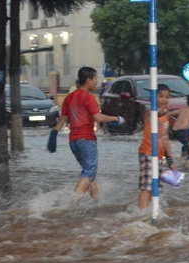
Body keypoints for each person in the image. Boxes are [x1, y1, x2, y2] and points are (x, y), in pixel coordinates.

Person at [47, 67, 124, 198]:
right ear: (88, 80)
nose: (97, 82)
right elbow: (98, 118)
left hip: (73, 142)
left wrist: (53, 135)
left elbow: (63, 120)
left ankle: (97, 202)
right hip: (86, 140)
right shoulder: (88, 97)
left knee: (90, 173)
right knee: (89, 172)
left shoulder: (69, 98)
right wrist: (116, 118)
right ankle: (72, 202)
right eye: (95, 79)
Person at [138, 84, 176, 209]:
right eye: (161, 96)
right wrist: (165, 112)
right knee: (147, 186)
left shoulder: (166, 116)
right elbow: (154, 114)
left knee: (156, 187)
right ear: (154, 97)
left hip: (159, 155)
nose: (165, 100)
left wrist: (170, 161)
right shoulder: (150, 111)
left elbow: (166, 139)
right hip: (148, 152)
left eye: (167, 97)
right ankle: (142, 211)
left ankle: (150, 210)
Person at [169, 94, 189, 169]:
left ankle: (182, 160)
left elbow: (169, 114)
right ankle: (187, 169)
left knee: (186, 145)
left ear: (187, 102)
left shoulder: (182, 109)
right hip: (184, 131)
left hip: (174, 131)